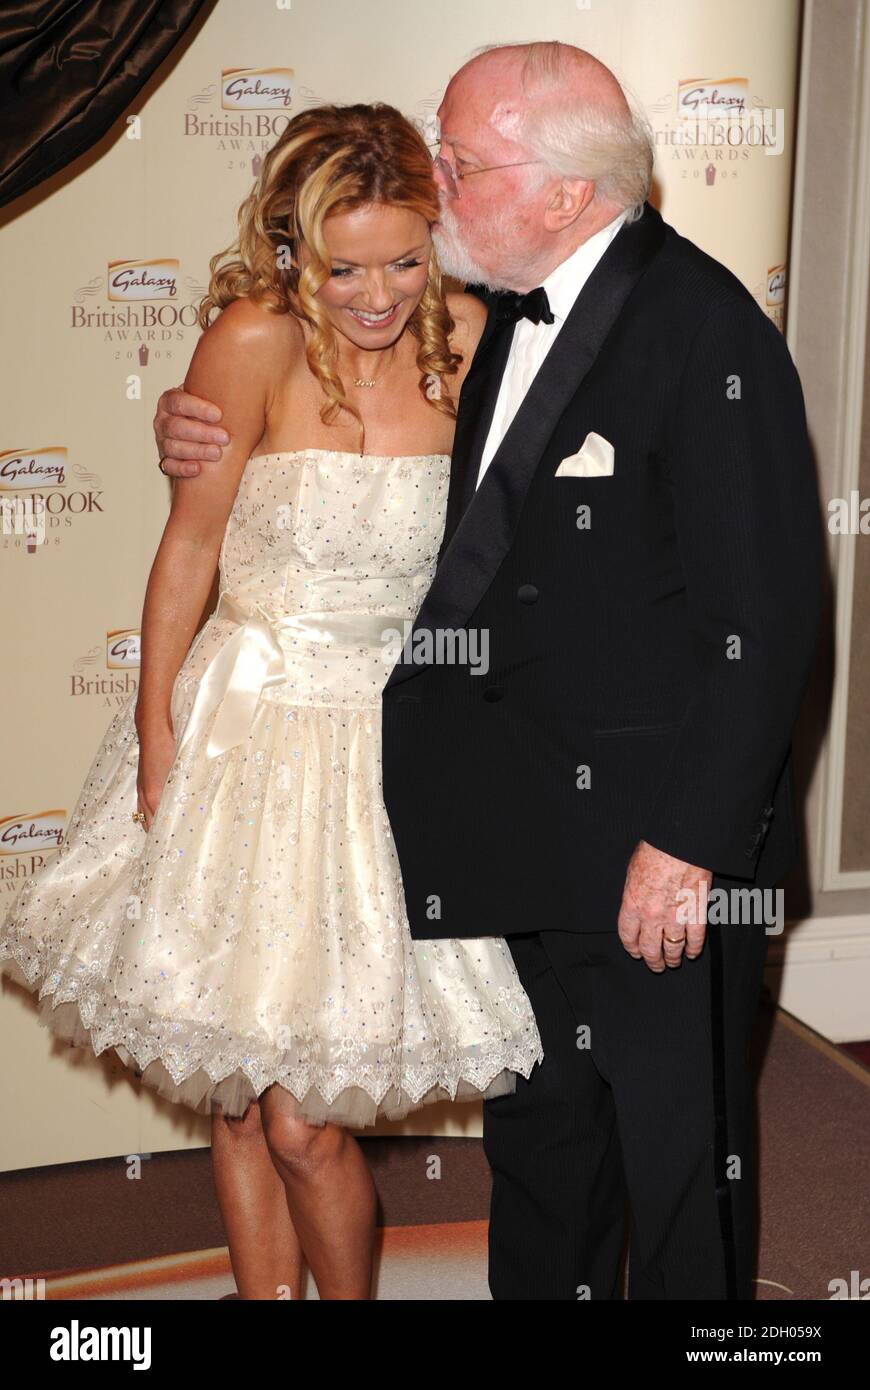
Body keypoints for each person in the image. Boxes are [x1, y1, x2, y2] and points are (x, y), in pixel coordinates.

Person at [156, 44, 824, 1302]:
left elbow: (770, 615)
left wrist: (686, 846)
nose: (436, 181)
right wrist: (186, 423)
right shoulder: (492, 311)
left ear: (565, 188)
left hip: (653, 859)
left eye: (461, 161)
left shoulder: (702, 329)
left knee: (681, 1173)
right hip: (521, 835)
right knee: (547, 1162)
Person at [0, 102, 543, 1301]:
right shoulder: (249, 339)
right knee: (238, 1101)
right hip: (238, 737)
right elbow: (189, 550)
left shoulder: (474, 335)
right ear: (293, 249)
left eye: (405, 256)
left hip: (388, 755)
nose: (378, 293)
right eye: (345, 266)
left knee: (306, 1120)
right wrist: (153, 734)